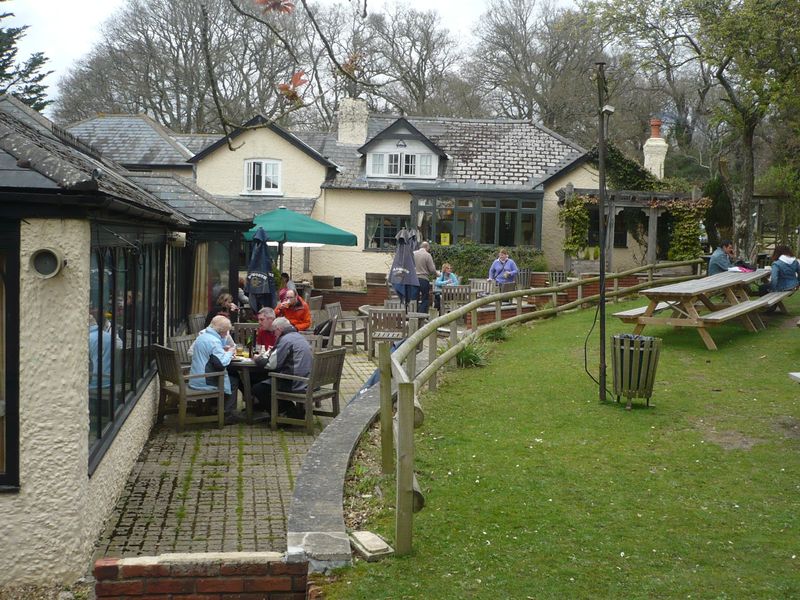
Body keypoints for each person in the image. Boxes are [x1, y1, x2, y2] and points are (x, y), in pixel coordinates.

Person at [251, 317, 313, 417]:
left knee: (258, 388)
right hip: (307, 379)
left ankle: (285, 413)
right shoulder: (299, 336)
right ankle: (291, 411)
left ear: (279, 329)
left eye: (274, 331)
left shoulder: (285, 340)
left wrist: (257, 359)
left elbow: (271, 364)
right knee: (263, 380)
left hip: (295, 381)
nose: (274, 335)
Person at [189, 315, 241, 424]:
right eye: (226, 332)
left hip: (195, 378)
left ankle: (215, 408)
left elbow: (210, 355)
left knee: (230, 378)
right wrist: (230, 352)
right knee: (234, 380)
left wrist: (221, 350)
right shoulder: (214, 341)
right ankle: (227, 414)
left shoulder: (203, 336)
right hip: (205, 381)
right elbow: (221, 363)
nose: (226, 334)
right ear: (222, 331)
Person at [413, 241, 437, 313]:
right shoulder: (427, 255)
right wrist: (437, 273)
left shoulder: (413, 254)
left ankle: (413, 314)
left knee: (414, 298)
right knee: (425, 298)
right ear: (427, 247)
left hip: (414, 279)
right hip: (423, 279)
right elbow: (432, 270)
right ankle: (421, 315)